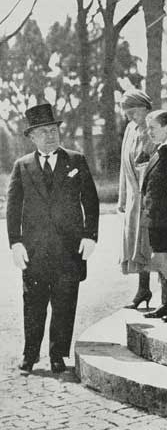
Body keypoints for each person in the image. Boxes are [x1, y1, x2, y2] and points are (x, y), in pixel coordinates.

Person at [6, 104, 99, 373]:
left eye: (53, 130)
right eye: (43, 132)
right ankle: (30, 353)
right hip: (34, 251)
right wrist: (15, 242)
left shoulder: (76, 160)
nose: (50, 136)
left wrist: (90, 236)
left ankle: (58, 354)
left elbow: (90, 201)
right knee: (33, 303)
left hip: (69, 249)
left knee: (65, 302)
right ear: (32, 137)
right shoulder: (21, 166)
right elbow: (13, 208)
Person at [117, 90, 157, 310]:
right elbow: (125, 165)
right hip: (135, 196)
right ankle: (143, 289)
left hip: (151, 197)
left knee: (154, 243)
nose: (130, 118)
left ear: (144, 108)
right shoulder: (130, 129)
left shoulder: (154, 127)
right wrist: (123, 197)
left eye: (133, 112)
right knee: (137, 244)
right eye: (127, 114)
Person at [142, 109, 167, 323]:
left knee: (166, 258)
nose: (149, 133)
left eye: (153, 128)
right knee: (162, 259)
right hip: (156, 215)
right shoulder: (161, 148)